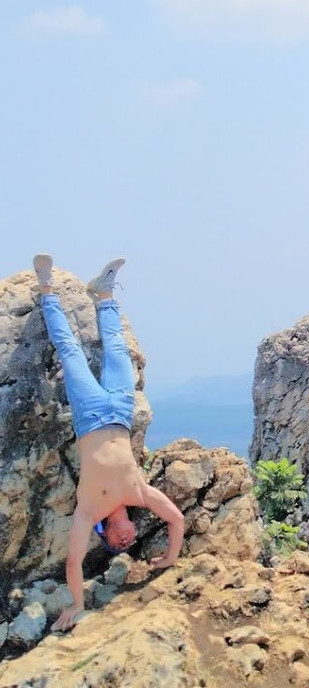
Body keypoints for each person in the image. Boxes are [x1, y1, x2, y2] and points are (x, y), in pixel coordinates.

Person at [32, 254, 186, 632]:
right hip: (119, 413)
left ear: (110, 537)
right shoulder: (138, 493)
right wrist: (169, 556)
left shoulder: (88, 510)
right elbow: (177, 519)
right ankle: (104, 294)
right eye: (129, 543)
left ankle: (46, 288)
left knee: (69, 353)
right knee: (116, 350)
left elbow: (73, 564)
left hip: (88, 418)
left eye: (120, 545)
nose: (127, 540)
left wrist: (77, 605)